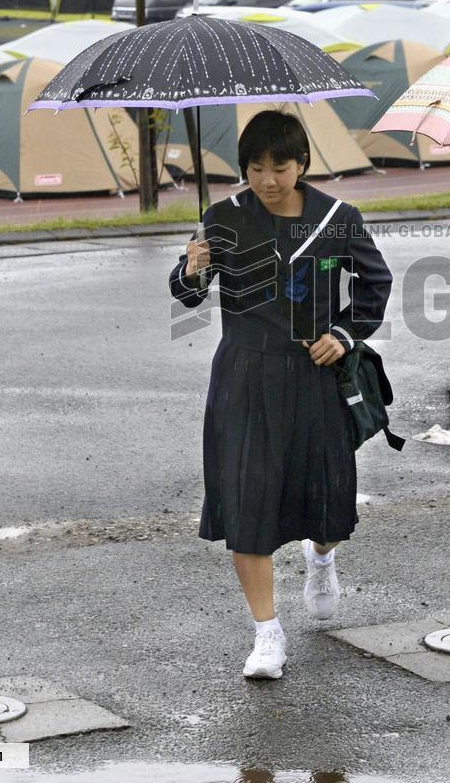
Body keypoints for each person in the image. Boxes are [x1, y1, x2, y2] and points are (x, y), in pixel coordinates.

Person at [169, 109, 392, 680]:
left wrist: (343, 335)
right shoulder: (222, 217)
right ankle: (267, 632)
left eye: (279, 166)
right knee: (247, 500)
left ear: (303, 165)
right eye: (255, 168)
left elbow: (376, 282)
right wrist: (193, 272)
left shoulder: (338, 219)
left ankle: (323, 556)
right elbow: (185, 293)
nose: (267, 179)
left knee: (325, 497)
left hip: (313, 373)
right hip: (243, 373)